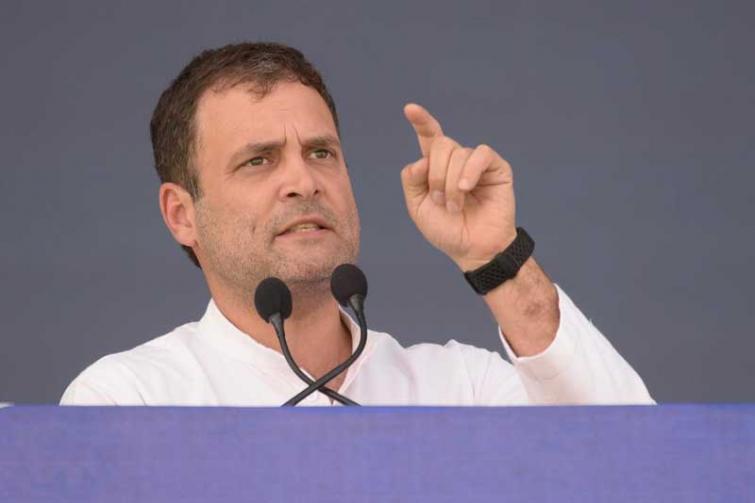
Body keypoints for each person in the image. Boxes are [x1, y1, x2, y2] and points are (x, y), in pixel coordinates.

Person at [60, 42, 653, 406]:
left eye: (321, 152)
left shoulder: (458, 390)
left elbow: (636, 468)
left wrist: (497, 258)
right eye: (259, 161)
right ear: (181, 215)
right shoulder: (130, 401)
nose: (304, 181)